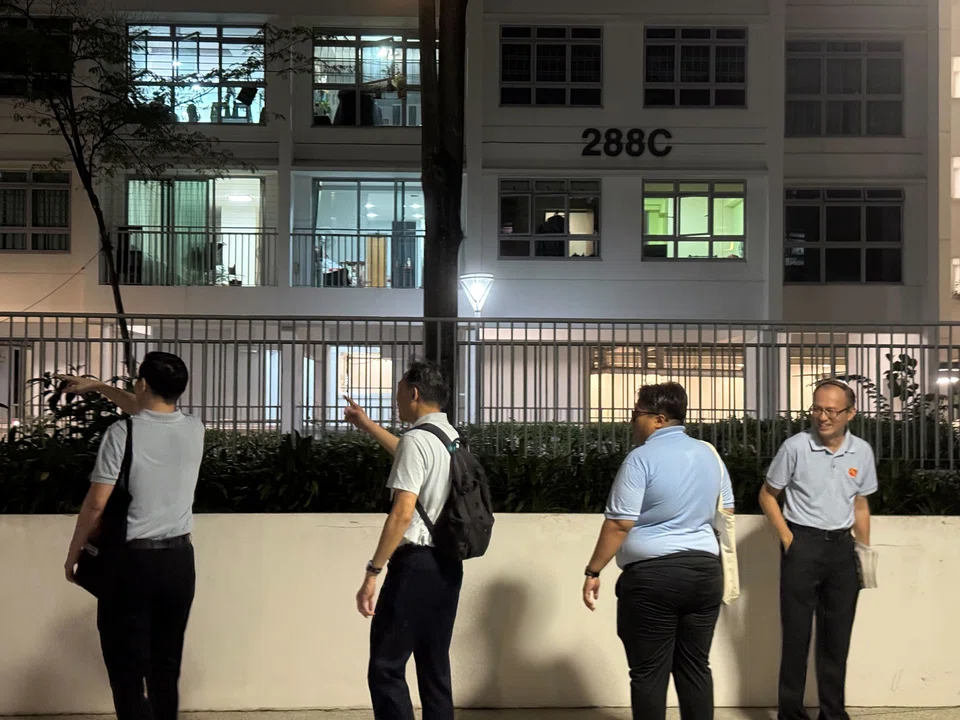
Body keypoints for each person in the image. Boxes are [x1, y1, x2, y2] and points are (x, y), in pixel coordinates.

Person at [61, 352, 204, 720]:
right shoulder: (194, 428)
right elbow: (147, 412)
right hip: (179, 563)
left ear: (141, 384)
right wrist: (98, 387)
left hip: (131, 565)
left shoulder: (121, 433)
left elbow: (96, 505)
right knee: (165, 667)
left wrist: (74, 553)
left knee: (126, 669)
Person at [582, 382, 734, 720]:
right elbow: (728, 512)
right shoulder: (710, 455)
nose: (632, 420)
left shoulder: (640, 459)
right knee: (695, 668)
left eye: (636, 413)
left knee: (649, 673)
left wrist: (594, 570)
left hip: (653, 581)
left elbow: (619, 524)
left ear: (659, 419)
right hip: (705, 574)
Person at [343, 358, 463, 720]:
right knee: (434, 668)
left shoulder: (417, 441)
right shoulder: (452, 439)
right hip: (448, 565)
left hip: (415, 567)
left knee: (386, 666)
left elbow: (402, 513)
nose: (395, 399)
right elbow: (409, 454)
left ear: (413, 393)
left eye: (398, 392)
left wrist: (372, 571)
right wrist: (367, 425)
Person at [759, 378, 877, 720]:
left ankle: (832, 713)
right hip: (802, 546)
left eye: (831, 410)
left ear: (850, 413)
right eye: (816, 408)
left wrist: (864, 552)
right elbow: (767, 495)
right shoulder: (794, 447)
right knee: (796, 638)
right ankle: (791, 714)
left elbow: (860, 506)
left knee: (836, 641)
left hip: (843, 550)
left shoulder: (862, 452)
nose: (822, 417)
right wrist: (788, 539)